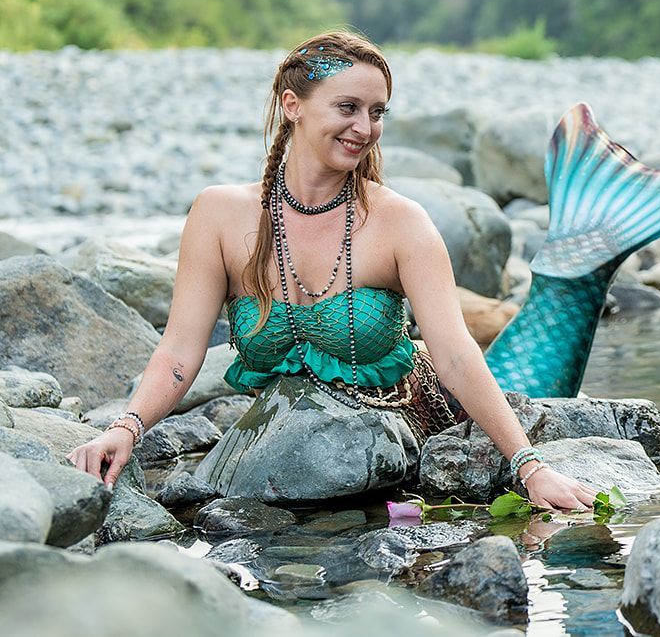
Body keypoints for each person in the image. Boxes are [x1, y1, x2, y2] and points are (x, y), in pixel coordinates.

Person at [69, 31, 596, 510]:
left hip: (411, 442)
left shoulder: (400, 222)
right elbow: (180, 351)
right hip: (286, 454)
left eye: (377, 111)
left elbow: (456, 355)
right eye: (348, 107)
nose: (365, 128)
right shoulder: (220, 215)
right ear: (291, 105)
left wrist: (530, 467)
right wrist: (127, 427)